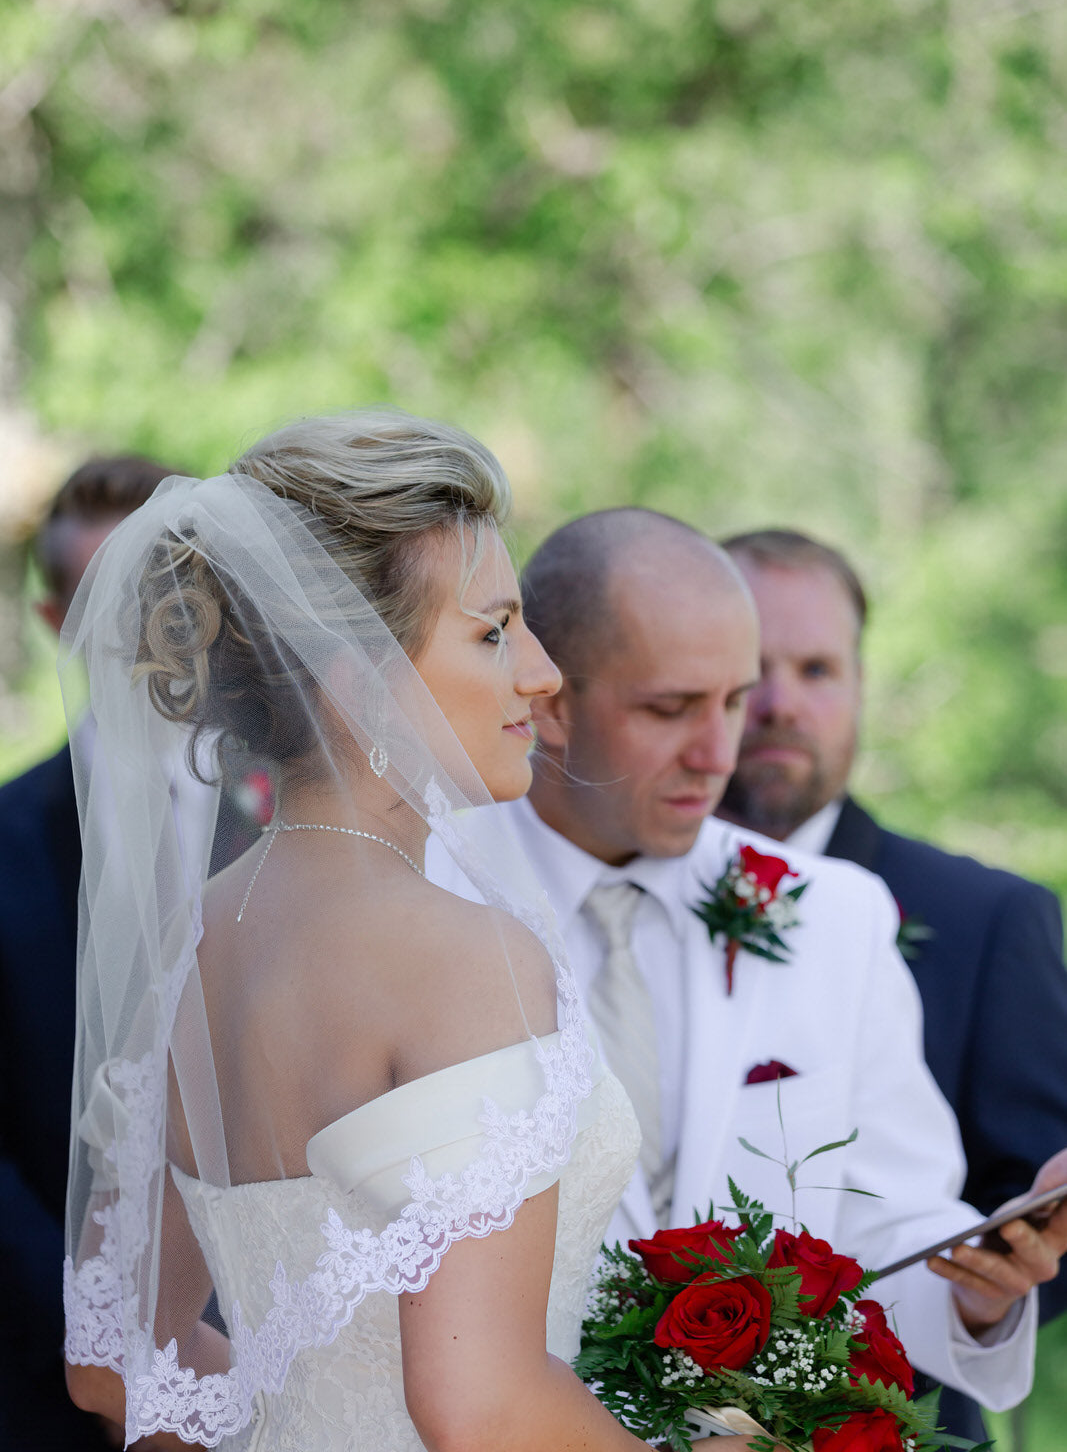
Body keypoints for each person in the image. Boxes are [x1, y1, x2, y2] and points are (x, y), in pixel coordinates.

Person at [62, 415, 758, 1452]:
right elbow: (478, 1407)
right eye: (492, 631)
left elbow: (113, 1365)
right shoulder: (462, 958)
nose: (541, 672)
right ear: (354, 680)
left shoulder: (194, 942)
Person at [428, 506, 1067, 1429]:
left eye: (731, 700)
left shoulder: (832, 915)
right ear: (551, 701)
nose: (716, 751)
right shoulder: (424, 895)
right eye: (668, 708)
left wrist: (975, 1288)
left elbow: (886, 1225)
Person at [717, 525, 1067, 1441]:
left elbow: (1028, 1204)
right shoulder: (605, 894)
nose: (780, 703)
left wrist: (986, 1292)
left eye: (818, 669)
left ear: (861, 687)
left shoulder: (989, 916)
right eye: (753, 668)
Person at [0, 454, 181, 1452]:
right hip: (51, 1393)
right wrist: (106, 1352)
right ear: (52, 622)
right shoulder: (7, 844)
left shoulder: (310, 819)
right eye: (114, 599)